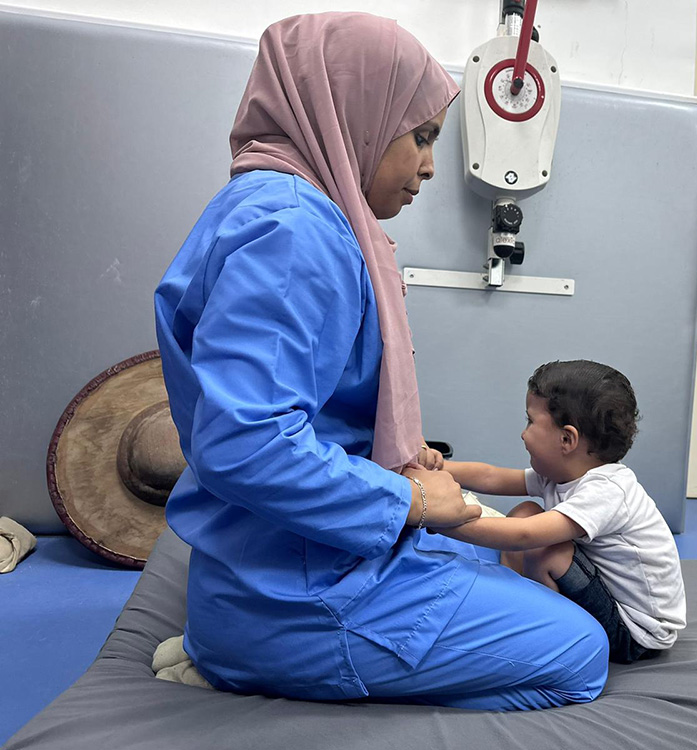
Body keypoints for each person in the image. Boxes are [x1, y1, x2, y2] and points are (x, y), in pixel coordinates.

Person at [153, 12, 608, 711]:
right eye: (422, 137)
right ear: (351, 114)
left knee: (478, 555)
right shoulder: (295, 232)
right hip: (296, 598)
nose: (429, 165)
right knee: (582, 654)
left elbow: (297, 408)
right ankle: (256, 661)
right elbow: (246, 445)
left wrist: (397, 460)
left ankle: (234, 642)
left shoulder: (268, 205)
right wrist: (407, 499)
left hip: (259, 563)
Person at [439, 360, 687, 664]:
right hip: (606, 596)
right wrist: (436, 466)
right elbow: (491, 476)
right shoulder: (560, 474)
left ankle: (549, 629)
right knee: (527, 511)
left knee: (545, 546)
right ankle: (513, 603)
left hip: (635, 633)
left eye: (530, 422)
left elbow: (525, 536)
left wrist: (439, 520)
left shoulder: (606, 491)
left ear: (567, 439)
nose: (523, 434)